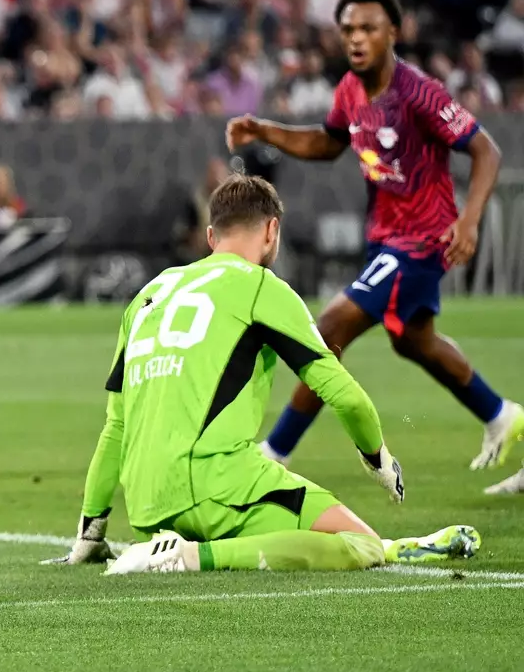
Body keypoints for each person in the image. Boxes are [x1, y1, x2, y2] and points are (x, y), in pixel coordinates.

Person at [53, 174, 479, 574]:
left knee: (349, 539)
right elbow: (344, 395)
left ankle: (395, 545)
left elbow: (116, 428)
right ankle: (193, 555)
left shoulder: (148, 294)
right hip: (219, 486)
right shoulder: (261, 286)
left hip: (150, 505)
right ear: (272, 231)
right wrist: (378, 460)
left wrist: (90, 533)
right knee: (356, 543)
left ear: (210, 236)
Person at [225, 0, 519, 490]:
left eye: (368, 29)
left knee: (330, 328)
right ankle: (502, 416)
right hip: (386, 239)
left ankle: (273, 455)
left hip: (423, 239)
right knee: (414, 342)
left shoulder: (418, 92)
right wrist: (267, 131)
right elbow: (326, 142)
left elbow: (486, 150)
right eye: (348, 30)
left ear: (394, 33)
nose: (356, 39)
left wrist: (468, 221)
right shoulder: (350, 90)